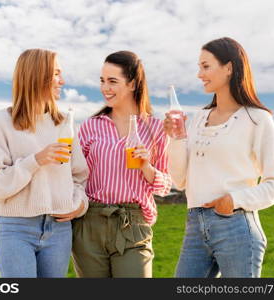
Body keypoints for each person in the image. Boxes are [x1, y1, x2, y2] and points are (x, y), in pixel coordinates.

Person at [164, 37, 274, 278]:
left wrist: (233, 199)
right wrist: (176, 138)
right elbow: (179, 180)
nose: (200, 74)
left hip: (236, 227)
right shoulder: (198, 118)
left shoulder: (257, 119)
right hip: (194, 226)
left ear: (229, 68)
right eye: (199, 67)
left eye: (206, 66)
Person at [0, 49, 89, 278]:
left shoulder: (64, 124)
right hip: (16, 229)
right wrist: (36, 160)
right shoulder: (1, 122)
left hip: (59, 229)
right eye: (56, 73)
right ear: (37, 75)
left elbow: (79, 176)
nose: (63, 80)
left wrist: (79, 205)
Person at [72, 50, 172, 278]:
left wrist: (146, 167)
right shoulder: (90, 126)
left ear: (133, 84)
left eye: (113, 81)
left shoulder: (156, 129)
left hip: (133, 224)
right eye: (102, 81)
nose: (105, 88)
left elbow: (165, 186)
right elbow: (76, 176)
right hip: (89, 223)